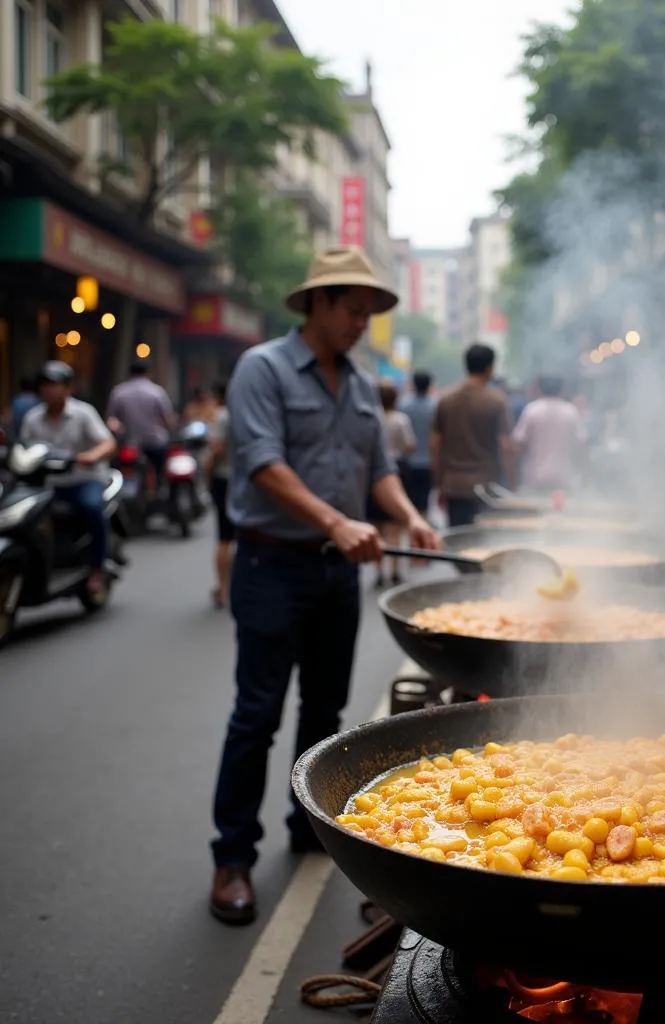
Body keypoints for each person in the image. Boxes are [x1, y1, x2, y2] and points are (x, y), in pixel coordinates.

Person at [209, 245, 440, 926]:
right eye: (351, 309)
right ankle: (232, 860)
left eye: (368, 313)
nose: (360, 323)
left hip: (336, 573)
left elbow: (379, 469)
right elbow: (261, 464)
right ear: (317, 302)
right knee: (256, 714)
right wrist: (336, 521)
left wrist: (409, 515)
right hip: (271, 565)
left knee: (324, 712)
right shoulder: (264, 368)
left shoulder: (363, 384)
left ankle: (302, 823)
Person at [20, 362, 116, 594]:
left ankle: (96, 567)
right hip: (46, 484)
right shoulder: (32, 418)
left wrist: (91, 455)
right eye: (45, 385)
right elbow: (22, 448)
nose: (50, 390)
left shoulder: (83, 413)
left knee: (92, 508)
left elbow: (108, 443)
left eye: (55, 385)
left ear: (68, 389)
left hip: (83, 480)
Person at [432, 343, 515, 528]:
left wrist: (439, 484)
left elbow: (436, 445)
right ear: (489, 368)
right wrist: (511, 483)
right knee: (485, 545)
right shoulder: (496, 401)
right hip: (486, 485)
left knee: (458, 542)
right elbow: (505, 446)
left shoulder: (446, 399)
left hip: (454, 485)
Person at [366, 380, 416, 587]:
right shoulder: (400, 420)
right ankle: (395, 569)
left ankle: (379, 571)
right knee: (395, 527)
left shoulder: (372, 419)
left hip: (373, 473)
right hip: (397, 469)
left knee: (376, 527)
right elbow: (409, 445)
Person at [107, 359, 175, 488]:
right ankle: (158, 490)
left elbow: (112, 420)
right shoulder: (157, 392)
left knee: (116, 471)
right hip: (154, 442)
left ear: (130, 373)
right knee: (161, 474)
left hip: (128, 443)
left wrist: (119, 432)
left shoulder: (119, 391)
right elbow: (167, 419)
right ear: (147, 373)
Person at [512, 375, 585, 493]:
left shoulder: (532, 410)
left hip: (535, 476)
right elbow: (580, 443)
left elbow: (519, 442)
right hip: (564, 476)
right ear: (562, 390)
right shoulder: (571, 411)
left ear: (540, 389)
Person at [206, 381, 234, 609]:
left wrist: (207, 473)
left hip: (225, 480)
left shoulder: (224, 416)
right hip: (251, 482)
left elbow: (217, 449)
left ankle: (223, 588)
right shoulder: (253, 412)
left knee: (224, 537)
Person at [399, 370, 436, 518]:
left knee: (409, 501)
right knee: (424, 502)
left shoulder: (403, 406)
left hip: (408, 462)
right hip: (428, 462)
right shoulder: (435, 406)